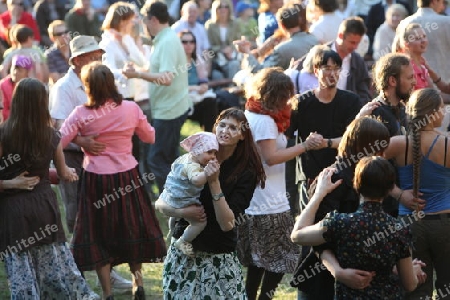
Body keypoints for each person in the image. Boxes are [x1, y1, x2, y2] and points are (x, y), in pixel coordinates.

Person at [59, 62, 167, 300]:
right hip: (127, 176)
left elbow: (59, 141)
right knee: (132, 228)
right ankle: (138, 283)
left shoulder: (80, 114)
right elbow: (149, 136)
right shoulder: (130, 108)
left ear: (87, 86)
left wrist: (81, 140)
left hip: (96, 180)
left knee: (98, 233)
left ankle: (107, 293)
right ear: (112, 83)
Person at [0, 78, 98, 299]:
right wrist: (70, 174)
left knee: (21, 270)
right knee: (54, 266)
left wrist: (9, 183)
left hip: (14, 213)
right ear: (42, 103)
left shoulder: (3, 134)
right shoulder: (51, 135)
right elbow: (63, 173)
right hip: (43, 208)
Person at [49, 35, 133, 292]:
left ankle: (106, 273)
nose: (97, 58)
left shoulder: (101, 79)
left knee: (103, 216)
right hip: (74, 160)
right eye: (92, 55)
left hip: (101, 162)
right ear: (76, 60)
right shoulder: (64, 87)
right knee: (76, 218)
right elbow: (57, 131)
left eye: (99, 54)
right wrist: (82, 141)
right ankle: (76, 277)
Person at [156, 108, 266, 299]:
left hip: (217, 257)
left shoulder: (246, 171)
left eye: (233, 128)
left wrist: (214, 182)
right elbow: (160, 204)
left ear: (242, 135)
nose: (225, 130)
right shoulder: (195, 156)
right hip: (185, 253)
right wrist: (182, 211)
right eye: (222, 125)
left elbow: (227, 224)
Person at [236, 68, 321, 300]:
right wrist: (305, 146)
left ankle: (252, 297)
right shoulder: (265, 122)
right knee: (282, 257)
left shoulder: (252, 111)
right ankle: (264, 297)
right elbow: (271, 158)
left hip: (259, 198)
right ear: (276, 95)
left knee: (259, 260)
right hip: (268, 201)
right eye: (286, 96)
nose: (289, 101)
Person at [291, 156, 423, 298]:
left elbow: (297, 235)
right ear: (390, 188)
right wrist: (413, 272)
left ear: (356, 184)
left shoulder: (339, 223)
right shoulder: (399, 229)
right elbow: (410, 284)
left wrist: (318, 195)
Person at [384, 88, 450, 299]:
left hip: (409, 225)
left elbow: (367, 172)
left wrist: (397, 194)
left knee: (415, 287)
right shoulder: (448, 145)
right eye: (442, 107)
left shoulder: (398, 143)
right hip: (444, 224)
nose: (444, 112)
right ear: (433, 112)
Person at [123, 0, 190, 195]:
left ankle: (170, 200)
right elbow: (157, 69)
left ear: (153, 19)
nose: (144, 25)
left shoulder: (167, 41)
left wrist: (137, 75)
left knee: (156, 159)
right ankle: (181, 197)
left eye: (145, 21)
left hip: (169, 110)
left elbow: (166, 78)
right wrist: (138, 70)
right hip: (169, 107)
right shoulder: (164, 38)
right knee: (169, 158)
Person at [159, 132, 219, 257]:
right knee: (199, 223)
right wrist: (208, 173)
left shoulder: (184, 158)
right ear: (198, 151)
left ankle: (171, 231)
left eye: (215, 153)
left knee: (175, 217)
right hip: (183, 200)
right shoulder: (193, 167)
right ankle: (183, 241)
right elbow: (196, 180)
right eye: (209, 152)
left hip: (170, 195)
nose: (213, 157)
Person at [235, 2, 318, 72]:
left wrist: (247, 52)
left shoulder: (281, 49)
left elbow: (259, 71)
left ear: (281, 25)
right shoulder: (314, 40)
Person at [179, 30, 218, 132]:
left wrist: (202, 88)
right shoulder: (175, 62)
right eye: (184, 42)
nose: (189, 45)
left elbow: (203, 84)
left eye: (192, 42)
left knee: (211, 102)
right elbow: (176, 87)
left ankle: (209, 138)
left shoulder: (197, 60)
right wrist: (195, 88)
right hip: (180, 101)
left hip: (196, 99)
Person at [0, 54, 31, 121]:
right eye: (14, 68)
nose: (15, 72)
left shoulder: (31, 87)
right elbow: (3, 110)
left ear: (27, 72)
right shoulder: (2, 85)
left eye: (20, 70)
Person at [44, 20, 70, 85]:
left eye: (66, 32)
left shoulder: (76, 50)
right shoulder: (49, 55)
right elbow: (57, 80)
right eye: (59, 34)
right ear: (52, 38)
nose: (64, 35)